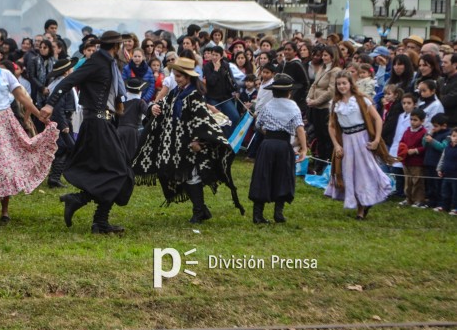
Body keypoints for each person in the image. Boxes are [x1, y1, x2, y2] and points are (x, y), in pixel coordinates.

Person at [40, 31, 135, 234]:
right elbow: (67, 81)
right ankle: (93, 214)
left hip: (104, 123)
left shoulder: (109, 63)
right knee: (119, 171)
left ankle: (87, 208)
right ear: (116, 47)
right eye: (122, 46)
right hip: (97, 124)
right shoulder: (96, 63)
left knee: (115, 171)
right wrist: (50, 104)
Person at [134, 57, 244, 223]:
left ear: (188, 77)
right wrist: (153, 107)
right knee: (179, 174)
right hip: (176, 144)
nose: (176, 79)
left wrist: (199, 141)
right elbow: (164, 104)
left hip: (190, 144)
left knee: (191, 175)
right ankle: (202, 210)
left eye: (179, 76)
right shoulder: (176, 92)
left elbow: (202, 121)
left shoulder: (194, 96)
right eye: (175, 75)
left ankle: (199, 211)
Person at [0, 42, 58, 221]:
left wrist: (39, 115)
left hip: (5, 124)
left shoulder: (5, 74)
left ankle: (5, 209)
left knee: (6, 166)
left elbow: (22, 97)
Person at [325, 71, 394, 219]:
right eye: (339, 84)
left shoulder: (361, 100)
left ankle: (364, 205)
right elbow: (331, 126)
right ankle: (359, 204)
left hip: (362, 139)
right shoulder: (335, 103)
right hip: (346, 139)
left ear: (351, 84)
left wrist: (376, 140)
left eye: (344, 83)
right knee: (350, 172)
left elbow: (377, 119)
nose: (342, 86)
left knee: (365, 171)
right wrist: (336, 145)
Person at [248, 74, 307, 224]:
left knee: (263, 175)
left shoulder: (268, 105)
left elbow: (258, 125)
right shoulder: (293, 106)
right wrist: (304, 149)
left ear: (273, 92)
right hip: (283, 145)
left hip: (268, 144)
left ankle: (258, 214)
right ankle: (278, 213)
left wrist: (269, 132)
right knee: (283, 176)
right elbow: (300, 128)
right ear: (289, 92)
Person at [306, 46, 341, 174]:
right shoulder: (322, 68)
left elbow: (331, 91)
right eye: (323, 55)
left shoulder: (335, 71)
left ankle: (327, 164)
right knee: (319, 137)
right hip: (315, 107)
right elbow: (314, 85)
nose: (323, 57)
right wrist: (309, 98)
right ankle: (319, 163)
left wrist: (316, 101)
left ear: (333, 56)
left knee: (326, 138)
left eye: (326, 55)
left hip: (325, 108)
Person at [45, 58, 78, 189]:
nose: (72, 70)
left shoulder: (64, 83)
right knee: (65, 148)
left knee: (65, 148)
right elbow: (58, 107)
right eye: (70, 68)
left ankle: (55, 177)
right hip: (61, 120)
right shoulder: (62, 85)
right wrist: (64, 124)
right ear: (66, 71)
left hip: (64, 119)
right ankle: (54, 178)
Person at [398, 108, 427, 208]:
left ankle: (418, 200)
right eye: (411, 119)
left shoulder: (424, 133)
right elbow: (402, 142)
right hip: (406, 161)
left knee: (417, 181)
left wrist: (415, 150)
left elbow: (425, 147)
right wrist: (403, 149)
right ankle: (408, 199)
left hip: (417, 162)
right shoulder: (407, 131)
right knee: (408, 181)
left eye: (415, 120)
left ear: (422, 121)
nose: (412, 122)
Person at [117, 78, 150, 161]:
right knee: (131, 157)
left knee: (119, 155)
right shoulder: (140, 102)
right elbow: (148, 113)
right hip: (132, 133)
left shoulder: (121, 100)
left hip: (119, 130)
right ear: (139, 91)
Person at [422, 113, 449, 211]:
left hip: (437, 164)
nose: (434, 128)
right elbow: (423, 144)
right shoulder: (434, 133)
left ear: (444, 125)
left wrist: (432, 141)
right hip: (429, 162)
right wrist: (428, 135)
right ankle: (431, 201)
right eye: (433, 125)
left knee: (438, 184)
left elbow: (443, 147)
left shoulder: (448, 135)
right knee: (430, 184)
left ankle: (440, 203)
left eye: (436, 126)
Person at [436, 127, 457, 216]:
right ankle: (445, 207)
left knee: (455, 194)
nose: (455, 138)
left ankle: (455, 208)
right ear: (450, 136)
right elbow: (442, 159)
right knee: (445, 192)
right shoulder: (447, 148)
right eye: (454, 136)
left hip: (455, 177)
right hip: (446, 175)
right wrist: (439, 169)